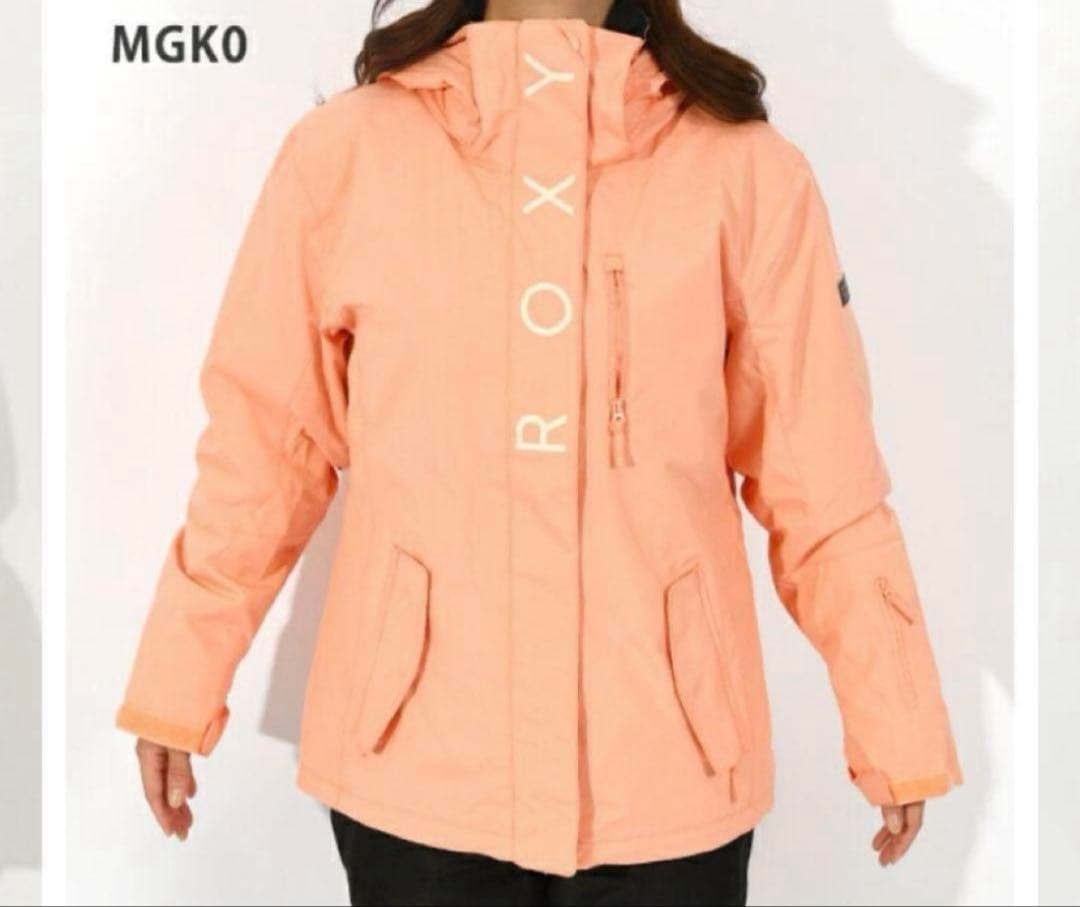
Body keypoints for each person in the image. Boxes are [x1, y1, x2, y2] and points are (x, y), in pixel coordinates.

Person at [117, 0, 962, 903]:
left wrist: (897, 719)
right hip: (414, 764)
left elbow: (824, 482)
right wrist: (179, 676)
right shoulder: (345, 156)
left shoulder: (746, 173)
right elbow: (264, 451)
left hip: (668, 770)